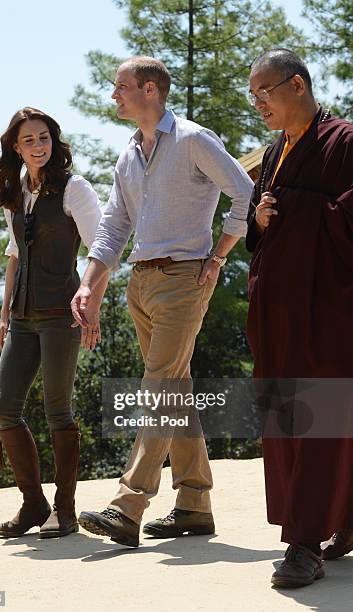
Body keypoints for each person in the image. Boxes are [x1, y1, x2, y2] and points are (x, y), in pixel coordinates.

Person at [71, 57, 253, 548]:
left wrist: (218, 257)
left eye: (122, 87)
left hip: (184, 278)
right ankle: (195, 505)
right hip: (141, 282)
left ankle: (128, 505)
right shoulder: (129, 154)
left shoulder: (193, 139)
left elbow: (244, 192)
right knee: (175, 390)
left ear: (151, 90)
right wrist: (89, 283)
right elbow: (113, 227)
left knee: (157, 390)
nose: (115, 95)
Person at [246, 49, 353, 588]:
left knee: (321, 418)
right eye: (252, 94)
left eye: (264, 91)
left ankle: (306, 543)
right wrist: (260, 217)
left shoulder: (346, 141)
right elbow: (262, 223)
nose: (257, 102)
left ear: (297, 85)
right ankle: (344, 522)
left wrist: (291, 205)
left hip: (326, 313)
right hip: (278, 312)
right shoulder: (275, 151)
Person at [0, 107, 104, 539]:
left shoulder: (76, 189)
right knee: (5, 407)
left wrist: (91, 308)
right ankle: (33, 503)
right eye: (29, 140)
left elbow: (101, 249)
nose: (38, 146)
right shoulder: (15, 191)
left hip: (61, 315)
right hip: (21, 318)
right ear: (16, 148)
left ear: (53, 141)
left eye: (44, 138)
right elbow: (15, 253)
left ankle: (65, 510)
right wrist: (4, 315)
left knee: (59, 410)